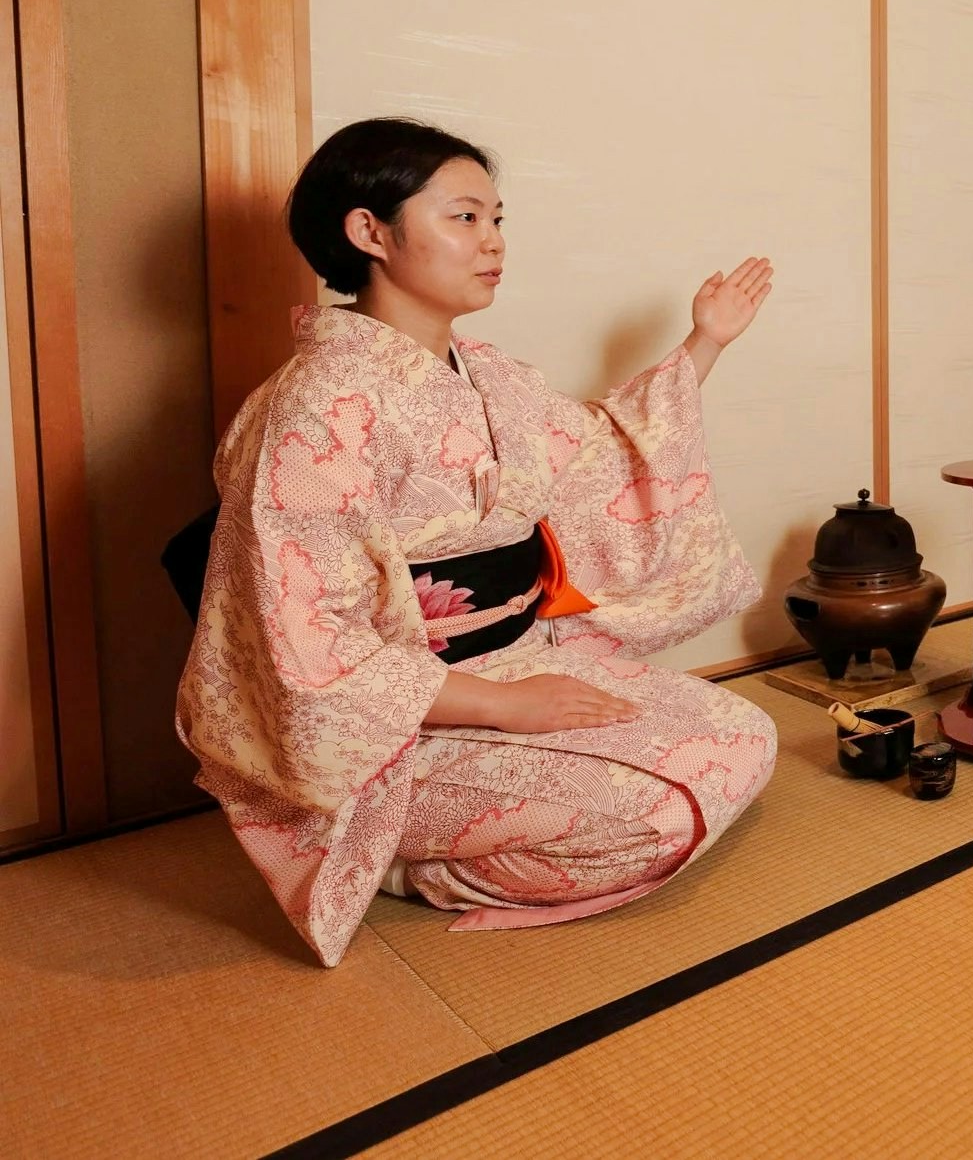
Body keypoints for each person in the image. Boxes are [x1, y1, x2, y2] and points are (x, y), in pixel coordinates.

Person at [176, 118, 780, 966]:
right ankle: (385, 854)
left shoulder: (490, 374)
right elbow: (308, 638)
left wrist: (705, 339)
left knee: (745, 735)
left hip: (517, 656)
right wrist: (504, 705)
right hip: (397, 721)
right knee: (654, 815)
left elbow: (605, 449)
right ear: (368, 231)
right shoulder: (316, 407)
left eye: (498, 219)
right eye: (465, 218)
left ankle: (467, 824)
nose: (493, 242)